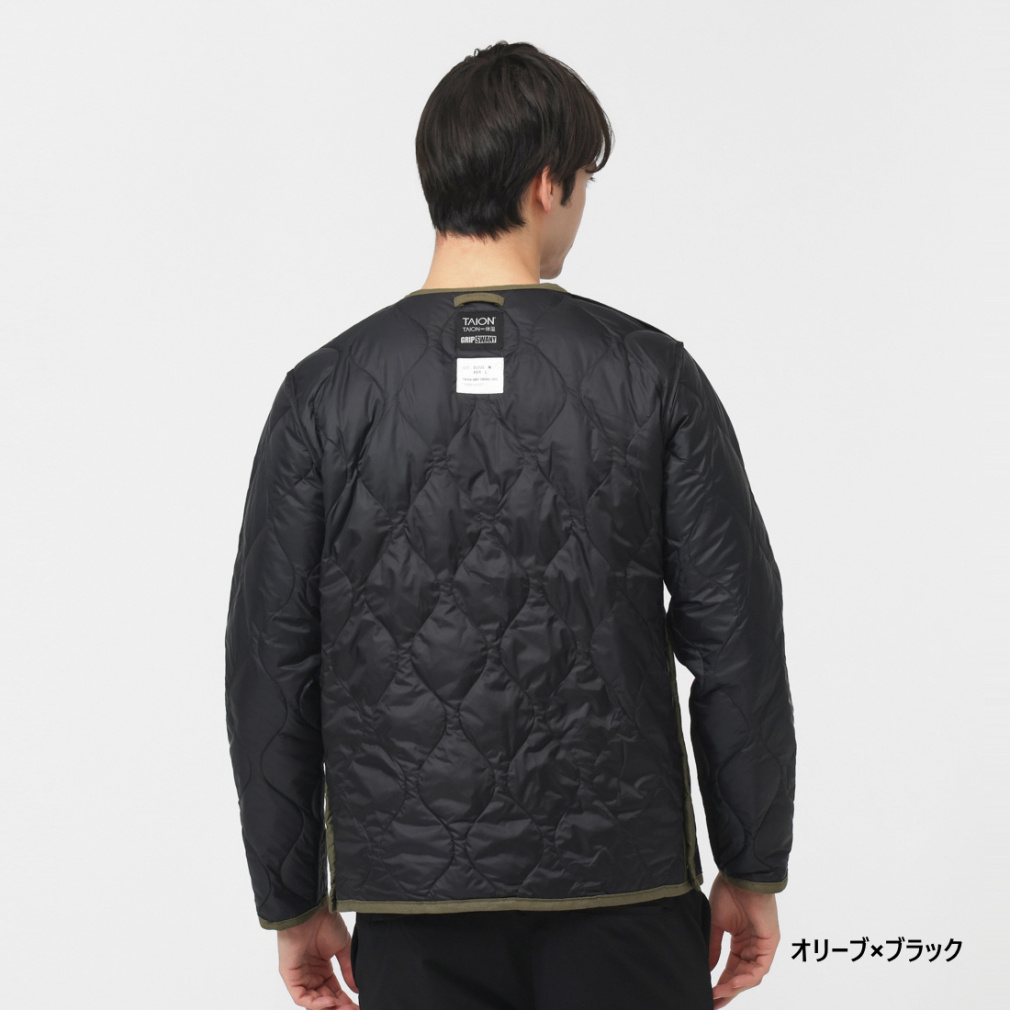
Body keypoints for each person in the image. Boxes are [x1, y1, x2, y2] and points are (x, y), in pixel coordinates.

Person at [224, 40, 796, 1010]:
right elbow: (735, 637)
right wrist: (751, 863)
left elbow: (270, 665)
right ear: (546, 183)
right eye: (583, 183)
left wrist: (292, 899)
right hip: (627, 896)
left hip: (409, 907)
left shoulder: (322, 396)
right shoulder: (651, 376)